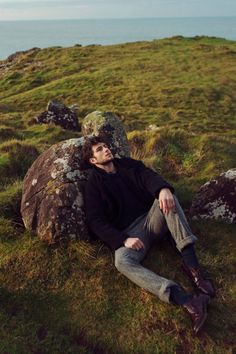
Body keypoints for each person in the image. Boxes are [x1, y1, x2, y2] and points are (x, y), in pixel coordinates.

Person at [82, 136, 215, 334]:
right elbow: (95, 220)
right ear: (93, 161)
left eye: (106, 146)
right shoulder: (93, 183)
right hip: (131, 235)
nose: (107, 150)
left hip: (152, 218)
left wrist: (162, 189)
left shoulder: (127, 165)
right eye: (100, 149)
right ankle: (188, 301)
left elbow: (148, 175)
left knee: (167, 197)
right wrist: (123, 239)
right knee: (122, 262)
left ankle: (193, 268)